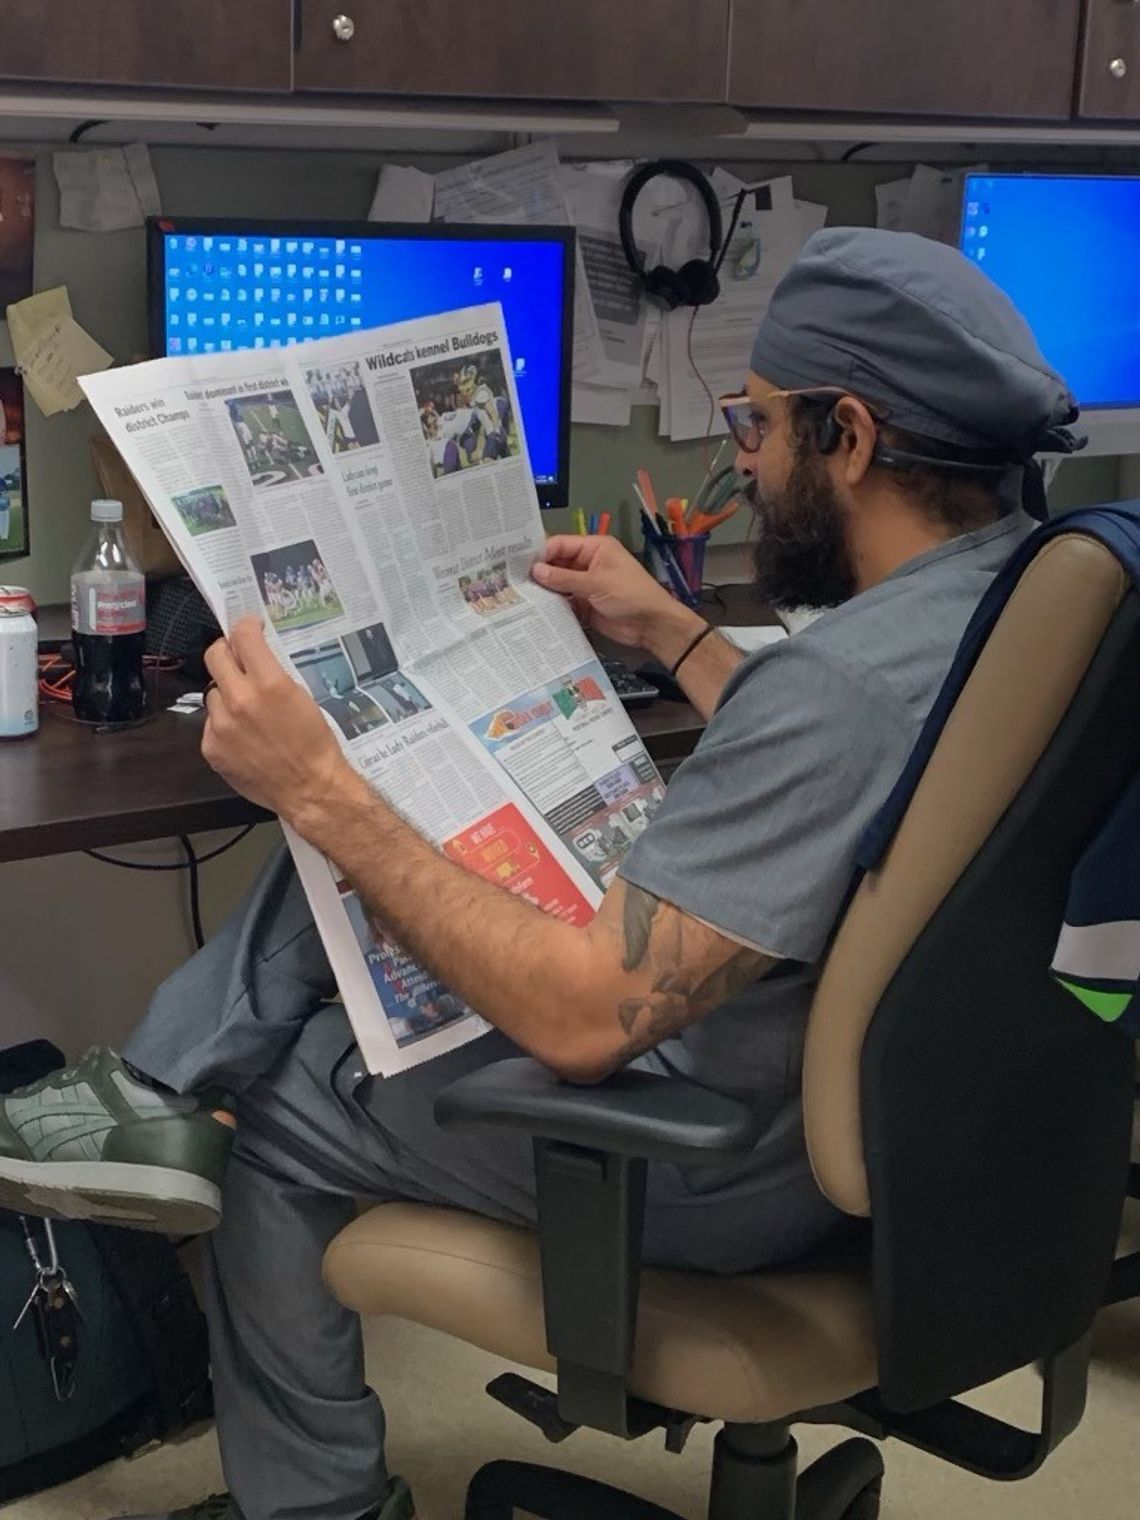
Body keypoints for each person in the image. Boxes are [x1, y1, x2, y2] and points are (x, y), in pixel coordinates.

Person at [0, 229, 1084, 1520]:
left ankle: (313, 1490)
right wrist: (674, 632)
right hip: (919, 1134)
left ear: (848, 436)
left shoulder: (837, 684)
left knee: (282, 1103)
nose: (738, 460)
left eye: (757, 423)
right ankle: (158, 1081)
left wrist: (315, 785)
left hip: (732, 1159)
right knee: (407, 835)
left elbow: (580, 1020)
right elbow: (874, 771)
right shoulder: (1013, 600)